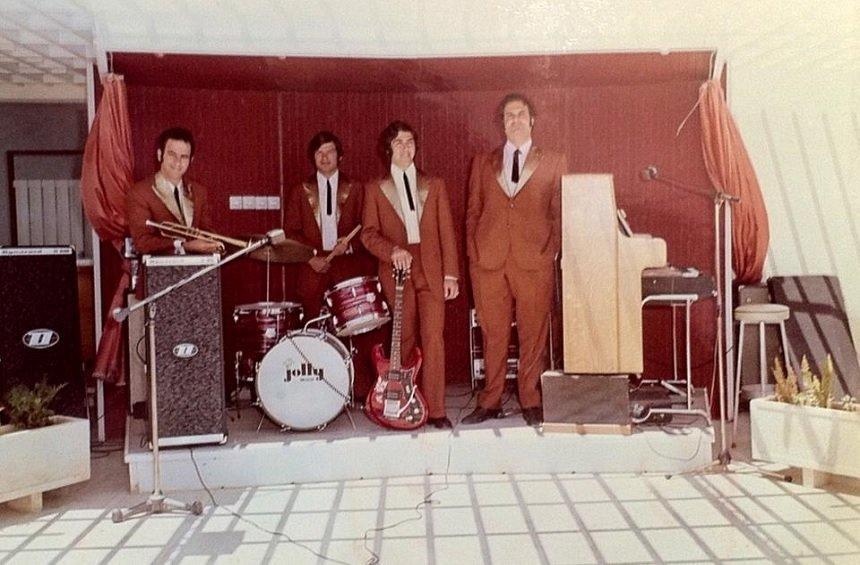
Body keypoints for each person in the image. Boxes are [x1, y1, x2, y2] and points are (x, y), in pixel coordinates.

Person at [464, 93, 567, 426]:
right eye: (509, 115)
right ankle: (490, 400)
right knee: (493, 334)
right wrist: (474, 255)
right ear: (502, 122)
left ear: (532, 119)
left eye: (521, 114)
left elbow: (559, 213)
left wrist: (550, 252)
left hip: (534, 261)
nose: (515, 120)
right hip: (489, 263)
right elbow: (472, 213)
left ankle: (530, 398)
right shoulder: (482, 162)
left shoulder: (553, 160)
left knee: (532, 333)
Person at [361, 120, 460, 429]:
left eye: (410, 142)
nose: (405, 148)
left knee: (434, 338)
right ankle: (401, 402)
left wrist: (451, 276)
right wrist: (392, 251)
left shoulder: (435, 184)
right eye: (399, 143)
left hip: (431, 269)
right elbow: (368, 234)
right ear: (388, 149)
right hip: (396, 271)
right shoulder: (375, 189)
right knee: (403, 338)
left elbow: (446, 230)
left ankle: (436, 410)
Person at [283, 131, 365, 319]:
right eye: (319, 152)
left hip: (347, 271)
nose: (325, 157)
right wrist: (310, 258)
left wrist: (350, 246)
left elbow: (366, 229)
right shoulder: (300, 190)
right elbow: (290, 232)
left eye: (330, 151)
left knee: (348, 330)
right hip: (312, 270)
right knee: (312, 327)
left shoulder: (356, 188)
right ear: (313, 158)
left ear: (340, 156)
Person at [127, 126, 222, 255]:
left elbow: (207, 231)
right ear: (160, 154)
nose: (178, 162)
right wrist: (183, 245)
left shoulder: (199, 192)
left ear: (191, 160)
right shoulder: (140, 192)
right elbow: (143, 242)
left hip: (198, 269)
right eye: (172, 155)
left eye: (184, 157)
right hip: (159, 272)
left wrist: (210, 242)